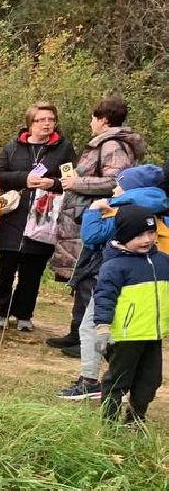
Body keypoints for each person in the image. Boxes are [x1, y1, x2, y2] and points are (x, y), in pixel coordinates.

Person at [50, 95, 148, 361]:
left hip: (97, 219)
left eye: (93, 118)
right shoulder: (103, 143)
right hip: (83, 217)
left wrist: (77, 184)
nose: (90, 123)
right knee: (81, 276)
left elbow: (116, 181)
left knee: (91, 277)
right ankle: (76, 332)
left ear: (103, 119)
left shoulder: (113, 145)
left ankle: (88, 339)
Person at [60, 164, 168, 400]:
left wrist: (93, 211)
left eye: (120, 185)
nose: (115, 189)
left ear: (133, 189)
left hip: (117, 278)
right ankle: (129, 381)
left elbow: (91, 237)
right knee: (138, 338)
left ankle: (90, 380)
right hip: (149, 284)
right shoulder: (160, 209)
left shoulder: (124, 211)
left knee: (92, 327)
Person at [0, 104, 75, 332]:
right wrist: (24, 178)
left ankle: (24, 314)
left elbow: (71, 179)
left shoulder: (64, 148)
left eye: (51, 119)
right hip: (14, 217)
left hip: (43, 219)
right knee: (7, 269)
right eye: (41, 120)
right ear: (30, 123)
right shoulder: (13, 147)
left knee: (33, 271)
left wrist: (53, 183)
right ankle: (1, 312)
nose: (47, 124)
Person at [92, 203, 169, 422]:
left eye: (151, 233)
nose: (147, 239)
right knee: (119, 380)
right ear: (124, 236)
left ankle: (135, 420)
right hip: (126, 336)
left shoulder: (163, 261)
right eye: (139, 235)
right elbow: (104, 297)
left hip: (153, 334)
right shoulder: (115, 266)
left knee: (150, 381)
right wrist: (103, 327)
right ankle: (109, 423)